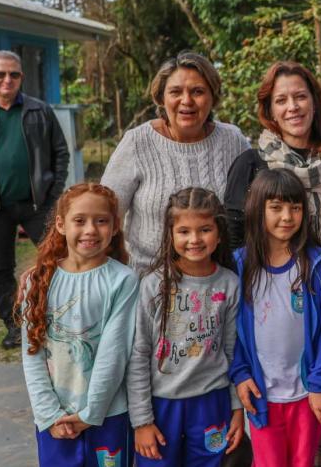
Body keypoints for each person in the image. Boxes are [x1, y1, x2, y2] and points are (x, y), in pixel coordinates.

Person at [224, 61, 321, 467]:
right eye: (281, 99)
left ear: (315, 102)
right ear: (269, 108)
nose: (293, 107)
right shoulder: (253, 162)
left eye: (300, 96)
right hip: (267, 296)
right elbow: (233, 227)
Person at [18, 183, 139, 467]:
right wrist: (48, 413)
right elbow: (31, 352)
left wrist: (90, 413)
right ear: (61, 224)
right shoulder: (39, 281)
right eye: (79, 220)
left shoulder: (123, 281)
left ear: (115, 226)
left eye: (101, 221)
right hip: (54, 420)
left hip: (109, 416)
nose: (90, 230)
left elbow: (115, 354)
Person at [229, 169, 321, 467]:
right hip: (262, 396)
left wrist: (319, 384)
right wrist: (240, 374)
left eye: (295, 207)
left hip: (308, 396)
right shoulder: (240, 266)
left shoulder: (316, 264)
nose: (287, 217)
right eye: (276, 207)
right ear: (257, 210)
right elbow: (230, 330)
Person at [101, 51, 250, 274]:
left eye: (198, 91)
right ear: (161, 98)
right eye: (175, 92)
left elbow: (258, 206)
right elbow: (103, 214)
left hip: (220, 284)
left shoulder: (233, 140)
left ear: (213, 96)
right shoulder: (137, 142)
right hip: (149, 281)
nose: (186, 101)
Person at [127, 187, 244, 465]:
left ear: (219, 232)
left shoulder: (229, 284)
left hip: (211, 403)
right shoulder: (154, 284)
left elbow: (232, 352)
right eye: (184, 231)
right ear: (170, 233)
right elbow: (139, 354)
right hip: (161, 405)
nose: (194, 239)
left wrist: (236, 408)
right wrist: (141, 421)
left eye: (204, 229)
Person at [0, 50, 69, 349]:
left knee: (58, 260)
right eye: (0, 74)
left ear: (21, 77)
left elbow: (60, 153)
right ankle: (15, 325)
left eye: (14, 74)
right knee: (0, 268)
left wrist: (53, 194)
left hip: (37, 205)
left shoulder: (40, 111)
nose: (7, 80)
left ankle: (58, 317)